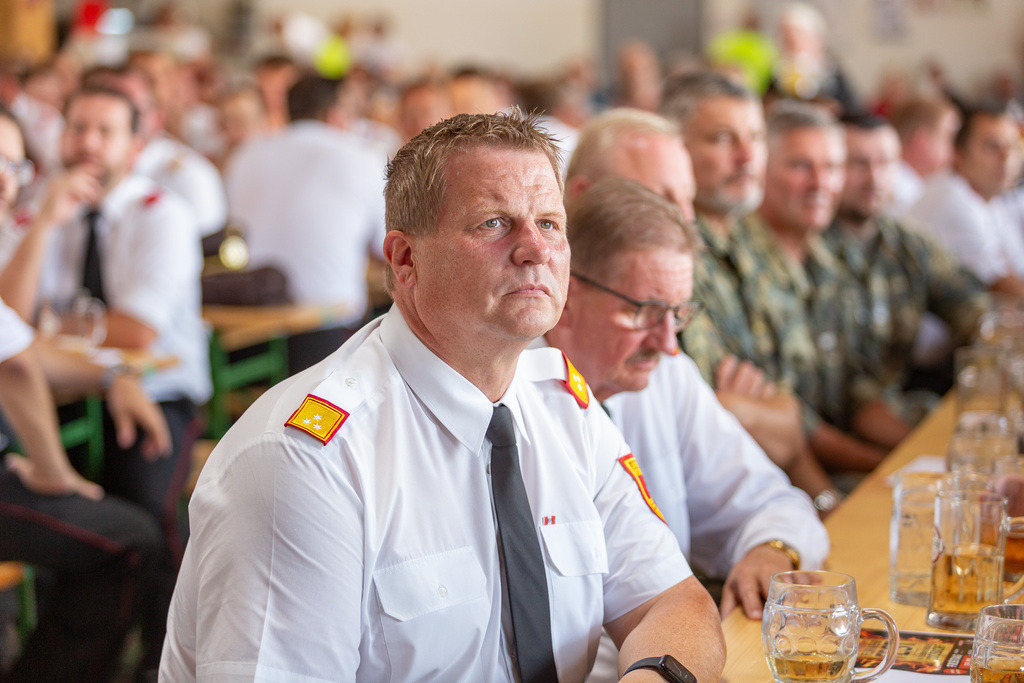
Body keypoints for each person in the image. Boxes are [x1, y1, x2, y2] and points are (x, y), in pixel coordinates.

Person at [162, 110, 726, 681]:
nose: (535, 248)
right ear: (405, 259)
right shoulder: (308, 460)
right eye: (494, 224)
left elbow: (673, 602)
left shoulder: (562, 407)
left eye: (550, 224)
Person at [545, 176, 828, 619]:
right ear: (566, 294)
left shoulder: (664, 376)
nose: (668, 343)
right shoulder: (511, 397)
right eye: (645, 312)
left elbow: (773, 500)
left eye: (678, 314)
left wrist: (770, 553)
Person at [0, 85, 210, 674]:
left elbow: (136, 333)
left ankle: (163, 655)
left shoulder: (161, 213)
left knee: (144, 497)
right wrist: (42, 225)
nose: (88, 143)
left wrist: (70, 334)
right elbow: (11, 325)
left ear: (137, 144)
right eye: (77, 128)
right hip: (70, 388)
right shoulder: (44, 206)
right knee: (86, 517)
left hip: (159, 387)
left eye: (105, 131)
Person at [658, 71, 837, 505]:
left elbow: (792, 406)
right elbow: (723, 418)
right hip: (723, 514)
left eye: (755, 138)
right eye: (722, 139)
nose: (745, 156)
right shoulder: (670, 262)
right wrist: (826, 499)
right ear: (676, 150)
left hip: (793, 497)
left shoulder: (756, 242)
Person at [825, 113, 990, 431]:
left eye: (886, 163)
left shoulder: (908, 242)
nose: (874, 178)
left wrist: (988, 342)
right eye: (857, 164)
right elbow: (846, 392)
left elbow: (971, 303)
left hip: (900, 411)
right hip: (837, 433)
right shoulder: (806, 250)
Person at [224, 74, 387, 373]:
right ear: (336, 112)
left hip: (244, 334)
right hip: (327, 340)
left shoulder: (246, 154)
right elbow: (387, 249)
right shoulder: (361, 155)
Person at [82, 65, 228, 238]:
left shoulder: (191, 176)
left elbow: (209, 252)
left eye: (133, 111)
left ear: (158, 117)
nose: (117, 119)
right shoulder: (86, 166)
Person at [907, 105, 1024, 298]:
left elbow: (1017, 269)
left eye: (1012, 146)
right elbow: (1003, 287)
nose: (1006, 157)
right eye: (992, 147)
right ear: (959, 154)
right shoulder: (951, 197)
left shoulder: (992, 199)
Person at [889, 97, 960, 216]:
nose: (953, 152)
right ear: (921, 142)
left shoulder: (917, 188)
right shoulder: (902, 197)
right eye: (948, 139)